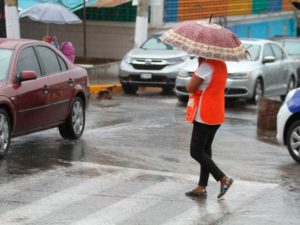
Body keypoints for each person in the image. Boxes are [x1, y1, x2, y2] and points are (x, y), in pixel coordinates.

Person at [185, 57, 233, 199]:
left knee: (196, 151)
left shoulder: (206, 66)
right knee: (205, 150)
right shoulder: (222, 64)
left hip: (204, 114)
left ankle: (223, 179)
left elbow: (190, 87)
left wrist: (199, 68)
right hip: (217, 113)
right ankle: (201, 187)